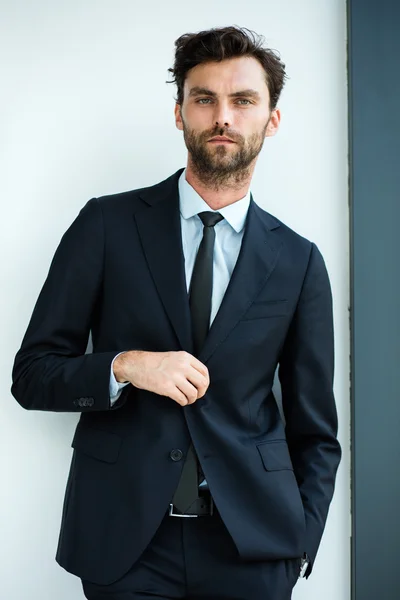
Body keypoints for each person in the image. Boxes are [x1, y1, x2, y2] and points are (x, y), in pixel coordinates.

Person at [11, 25, 342, 600]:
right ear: (179, 113)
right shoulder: (106, 226)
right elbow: (32, 373)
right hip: (128, 549)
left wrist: (300, 541)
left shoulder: (299, 262)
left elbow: (316, 432)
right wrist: (126, 366)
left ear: (272, 120)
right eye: (204, 98)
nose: (223, 117)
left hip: (253, 550)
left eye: (243, 101)